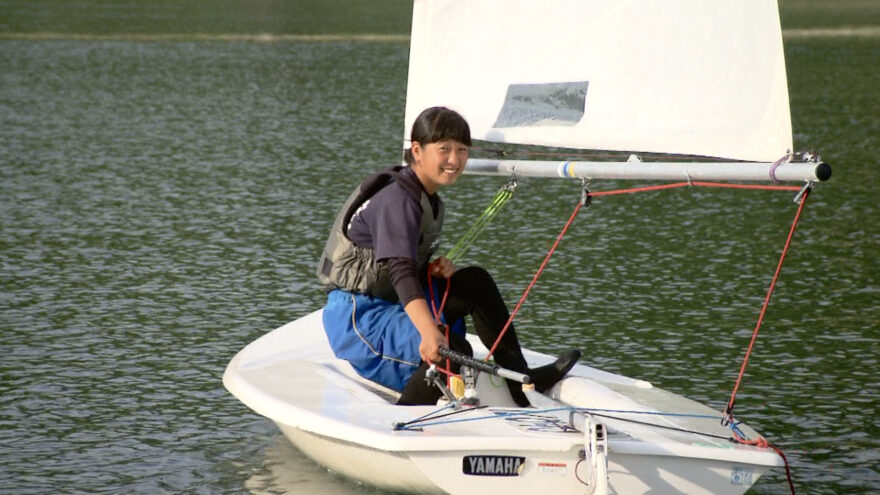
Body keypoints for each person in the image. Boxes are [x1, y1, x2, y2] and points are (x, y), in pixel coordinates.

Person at [317, 106, 580, 406]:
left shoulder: (426, 197)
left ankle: (520, 382)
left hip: (390, 304)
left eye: (462, 150)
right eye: (444, 149)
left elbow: (400, 268)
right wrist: (429, 333)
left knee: (473, 282)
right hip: (359, 317)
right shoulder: (397, 201)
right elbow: (400, 273)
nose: (455, 160)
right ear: (417, 151)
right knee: (451, 349)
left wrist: (429, 269)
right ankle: (406, 416)